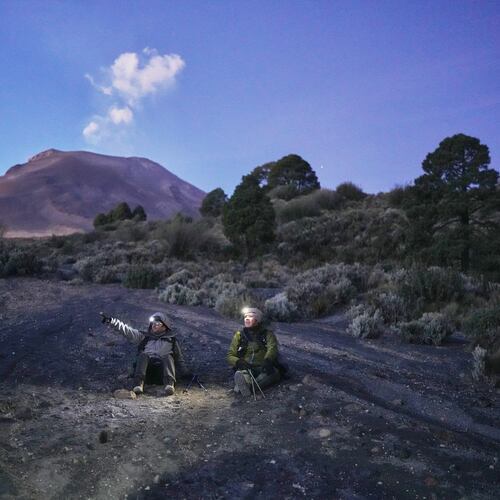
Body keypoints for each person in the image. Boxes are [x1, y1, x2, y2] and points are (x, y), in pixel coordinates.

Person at [100, 311, 187, 396]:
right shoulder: (145, 337)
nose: (154, 325)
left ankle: (169, 385)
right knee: (143, 355)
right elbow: (127, 331)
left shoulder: (171, 340)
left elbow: (179, 359)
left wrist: (186, 373)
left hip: (162, 373)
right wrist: (112, 321)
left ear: (165, 326)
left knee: (168, 356)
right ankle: (138, 384)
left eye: (158, 323)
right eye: (153, 323)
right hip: (147, 373)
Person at [227, 307, 282, 396]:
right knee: (243, 374)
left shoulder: (267, 334)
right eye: (245, 317)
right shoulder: (239, 335)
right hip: (247, 367)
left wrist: (268, 360)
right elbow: (230, 354)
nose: (247, 319)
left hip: (263, 367)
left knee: (273, 373)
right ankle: (247, 385)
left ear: (257, 320)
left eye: (251, 316)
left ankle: (245, 387)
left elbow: (272, 348)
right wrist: (238, 362)